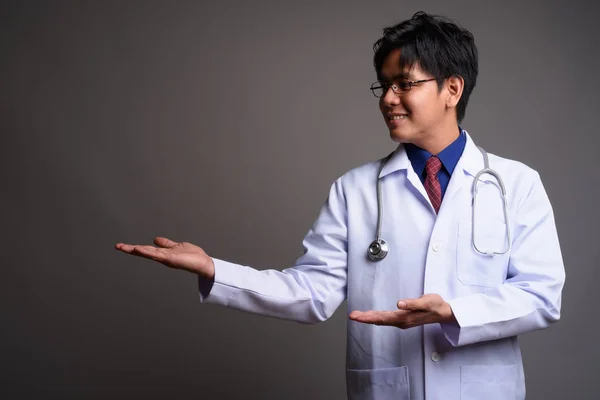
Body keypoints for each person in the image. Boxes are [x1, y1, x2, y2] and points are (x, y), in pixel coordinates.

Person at [115, 11, 565, 400]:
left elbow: (542, 295)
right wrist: (215, 268)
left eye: (404, 83)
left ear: (452, 88)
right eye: (384, 85)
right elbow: (311, 293)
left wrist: (454, 312)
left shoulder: (516, 185)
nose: (389, 99)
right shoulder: (355, 190)